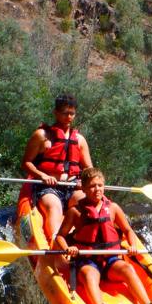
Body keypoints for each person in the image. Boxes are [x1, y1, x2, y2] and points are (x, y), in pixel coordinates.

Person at [53, 167, 152, 304]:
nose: (96, 189)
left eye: (99, 185)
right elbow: (60, 236)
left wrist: (132, 245)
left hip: (110, 260)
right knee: (88, 275)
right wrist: (68, 249)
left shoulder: (113, 208)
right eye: (92, 186)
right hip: (87, 260)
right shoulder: (75, 211)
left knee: (127, 269)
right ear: (83, 188)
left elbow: (128, 230)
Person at [22, 94, 92, 239]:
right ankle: (56, 244)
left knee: (87, 205)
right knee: (54, 207)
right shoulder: (42, 135)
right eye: (65, 113)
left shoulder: (79, 140)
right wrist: (43, 176)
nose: (69, 117)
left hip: (72, 186)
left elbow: (89, 169)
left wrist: (84, 181)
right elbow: (26, 162)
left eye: (72, 113)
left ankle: (88, 240)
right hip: (47, 186)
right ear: (56, 113)